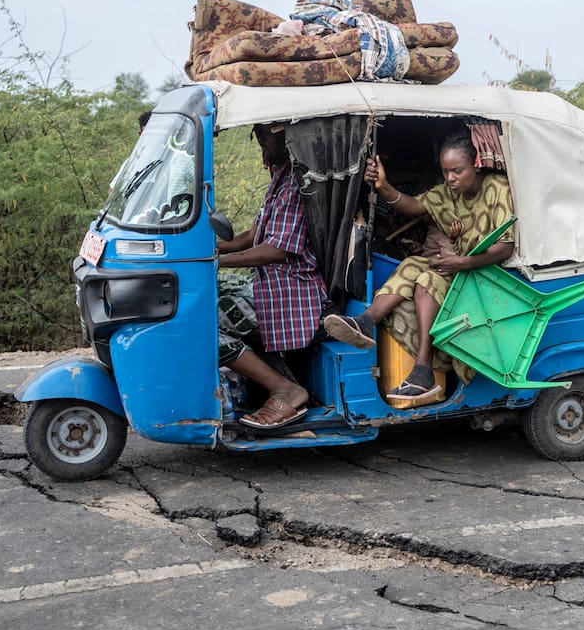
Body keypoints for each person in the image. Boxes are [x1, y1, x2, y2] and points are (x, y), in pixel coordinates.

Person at [323, 131, 514, 404]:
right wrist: (384, 186)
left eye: (457, 171)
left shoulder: (498, 189)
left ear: (475, 164)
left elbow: (505, 248)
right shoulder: (449, 192)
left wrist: (462, 262)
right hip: (459, 267)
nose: (450, 178)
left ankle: (423, 370)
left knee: (428, 279)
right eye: (446, 172)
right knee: (414, 264)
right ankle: (365, 322)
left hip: (485, 275)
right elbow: (414, 205)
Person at [217, 123, 328, 428]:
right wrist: (218, 248)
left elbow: (277, 248)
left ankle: (286, 390)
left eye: (267, 132)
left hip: (293, 292)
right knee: (208, 298)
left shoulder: (299, 182)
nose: (261, 140)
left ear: (288, 134)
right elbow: (256, 233)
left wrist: (218, 262)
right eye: (258, 134)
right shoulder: (281, 176)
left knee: (199, 320)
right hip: (269, 284)